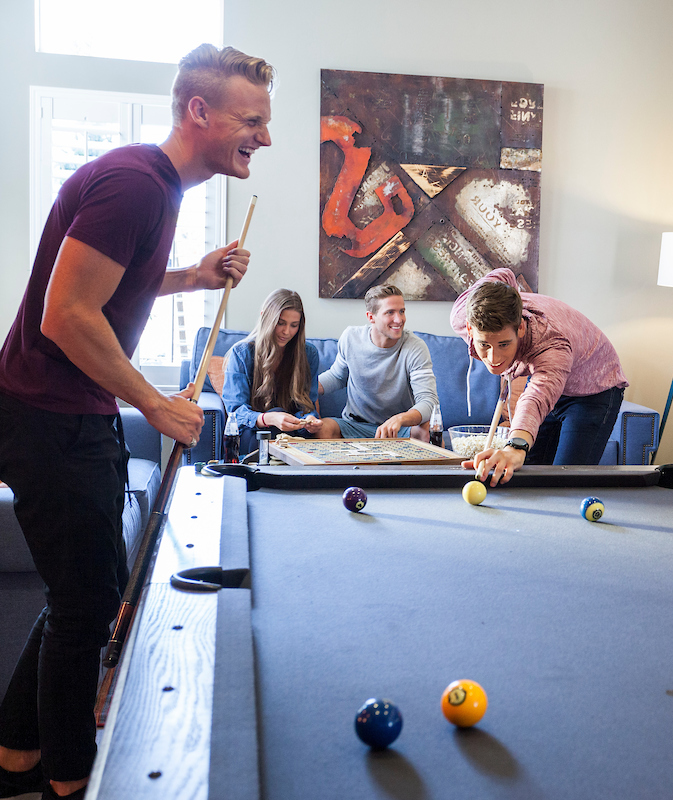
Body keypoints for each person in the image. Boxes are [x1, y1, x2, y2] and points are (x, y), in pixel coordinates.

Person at [0, 44, 272, 800]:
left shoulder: (151, 185)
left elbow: (114, 284)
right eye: (253, 121)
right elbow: (66, 315)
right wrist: (154, 403)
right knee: (87, 604)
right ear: (199, 112)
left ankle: (17, 758)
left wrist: (195, 275)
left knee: (77, 595)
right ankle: (71, 780)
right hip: (50, 416)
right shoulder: (135, 184)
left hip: (65, 411)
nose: (265, 137)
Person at [450, 267, 629, 485]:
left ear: (521, 328)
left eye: (504, 344)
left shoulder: (551, 344)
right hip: (553, 383)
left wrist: (515, 446)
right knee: (523, 474)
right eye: (484, 344)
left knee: (564, 482)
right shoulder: (461, 314)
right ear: (469, 329)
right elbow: (504, 274)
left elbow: (536, 397)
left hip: (595, 387)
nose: (493, 357)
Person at [316, 285, 437, 441]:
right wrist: (305, 386)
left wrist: (400, 419)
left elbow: (429, 401)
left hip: (399, 429)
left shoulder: (415, 347)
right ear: (371, 317)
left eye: (402, 311)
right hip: (355, 425)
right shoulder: (351, 337)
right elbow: (338, 377)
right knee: (323, 429)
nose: (399, 319)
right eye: (390, 313)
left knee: (427, 431)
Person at [222, 289, 321, 456]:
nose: (286, 331)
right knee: (274, 418)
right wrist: (268, 419)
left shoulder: (308, 354)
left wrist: (309, 420)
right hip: (252, 434)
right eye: (280, 323)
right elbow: (235, 413)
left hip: (293, 436)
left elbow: (306, 405)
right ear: (264, 317)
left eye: (294, 325)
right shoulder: (241, 353)